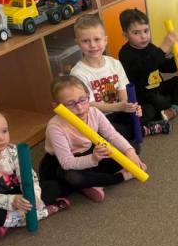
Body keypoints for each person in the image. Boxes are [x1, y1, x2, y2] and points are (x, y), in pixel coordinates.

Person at [0, 108, 71, 238]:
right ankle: (44, 211)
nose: (2, 137)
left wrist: (33, 196)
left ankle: (10, 221)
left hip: (22, 192)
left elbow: (28, 176)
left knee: (53, 186)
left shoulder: (12, 150)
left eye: (4, 131)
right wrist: (12, 201)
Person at [39, 75, 146, 203]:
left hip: (90, 152)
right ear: (57, 106)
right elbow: (67, 162)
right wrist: (93, 159)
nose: (79, 108)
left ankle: (90, 183)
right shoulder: (55, 127)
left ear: (88, 96)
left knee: (134, 147)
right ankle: (120, 177)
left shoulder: (94, 112)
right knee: (72, 177)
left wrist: (130, 152)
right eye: (70, 104)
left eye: (82, 100)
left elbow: (112, 135)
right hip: (62, 163)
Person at [69, 15, 157, 152]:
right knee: (104, 132)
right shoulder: (78, 73)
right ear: (78, 43)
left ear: (105, 40)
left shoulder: (114, 63)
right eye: (86, 41)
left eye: (97, 39)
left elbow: (123, 92)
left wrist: (129, 106)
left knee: (149, 109)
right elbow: (89, 105)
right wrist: (119, 107)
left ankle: (132, 133)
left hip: (119, 110)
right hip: (97, 118)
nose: (93, 45)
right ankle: (141, 131)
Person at [118, 8, 178, 125]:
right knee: (153, 107)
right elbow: (146, 67)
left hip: (158, 88)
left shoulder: (150, 47)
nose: (143, 36)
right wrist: (164, 47)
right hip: (143, 94)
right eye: (136, 33)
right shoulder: (125, 53)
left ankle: (174, 108)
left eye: (146, 31)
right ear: (126, 36)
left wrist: (177, 59)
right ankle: (173, 102)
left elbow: (164, 66)